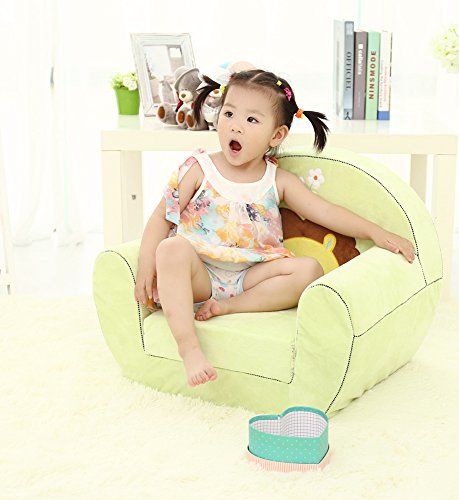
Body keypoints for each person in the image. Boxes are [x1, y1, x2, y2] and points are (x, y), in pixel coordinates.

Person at [134, 69, 415, 388]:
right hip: (200, 273)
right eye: (229, 113)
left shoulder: (277, 180)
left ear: (277, 135)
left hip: (252, 278)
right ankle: (189, 349)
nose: (235, 125)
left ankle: (226, 307)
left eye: (251, 120)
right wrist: (146, 262)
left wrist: (375, 231)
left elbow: (324, 211)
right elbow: (162, 217)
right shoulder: (200, 169)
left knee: (309, 269)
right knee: (170, 249)